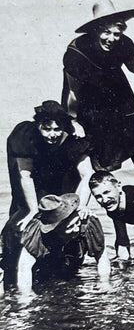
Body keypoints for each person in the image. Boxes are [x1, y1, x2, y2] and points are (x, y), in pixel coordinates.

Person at [62, 0, 134, 190]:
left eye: (116, 33)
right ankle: (107, 197)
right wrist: (73, 121)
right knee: (97, 152)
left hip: (118, 92)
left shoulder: (123, 43)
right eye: (106, 32)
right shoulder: (77, 52)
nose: (112, 38)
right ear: (95, 29)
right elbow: (72, 91)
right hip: (89, 100)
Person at [1, 101, 93, 284]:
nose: (52, 134)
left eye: (57, 129)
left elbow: (87, 174)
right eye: (47, 129)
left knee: (64, 222)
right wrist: (33, 211)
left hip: (61, 177)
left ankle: (62, 272)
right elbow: (25, 176)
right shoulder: (25, 136)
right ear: (38, 125)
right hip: (32, 179)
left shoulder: (75, 138)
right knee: (22, 220)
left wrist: (80, 206)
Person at [16, 194, 111, 295]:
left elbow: (101, 256)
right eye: (69, 228)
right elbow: (24, 269)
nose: (75, 229)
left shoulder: (87, 222)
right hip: (43, 265)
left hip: (71, 260)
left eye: (76, 224)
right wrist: (27, 295)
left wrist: (104, 282)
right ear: (55, 229)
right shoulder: (36, 234)